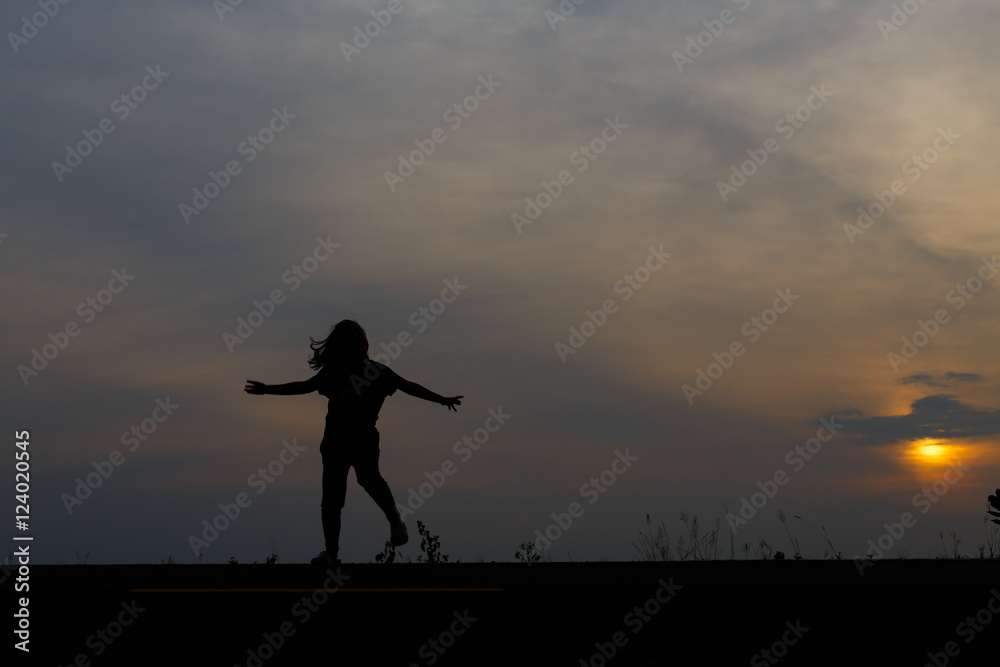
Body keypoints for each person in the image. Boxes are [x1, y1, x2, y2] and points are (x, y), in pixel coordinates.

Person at [244, 319, 462, 566]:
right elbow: (304, 386)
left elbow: (407, 386)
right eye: (349, 334)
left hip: (364, 439)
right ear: (338, 344)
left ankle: (395, 519)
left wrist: (441, 399)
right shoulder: (332, 373)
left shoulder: (378, 371)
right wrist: (268, 389)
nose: (356, 337)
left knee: (369, 479)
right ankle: (331, 553)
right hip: (335, 441)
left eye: (359, 333)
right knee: (332, 499)